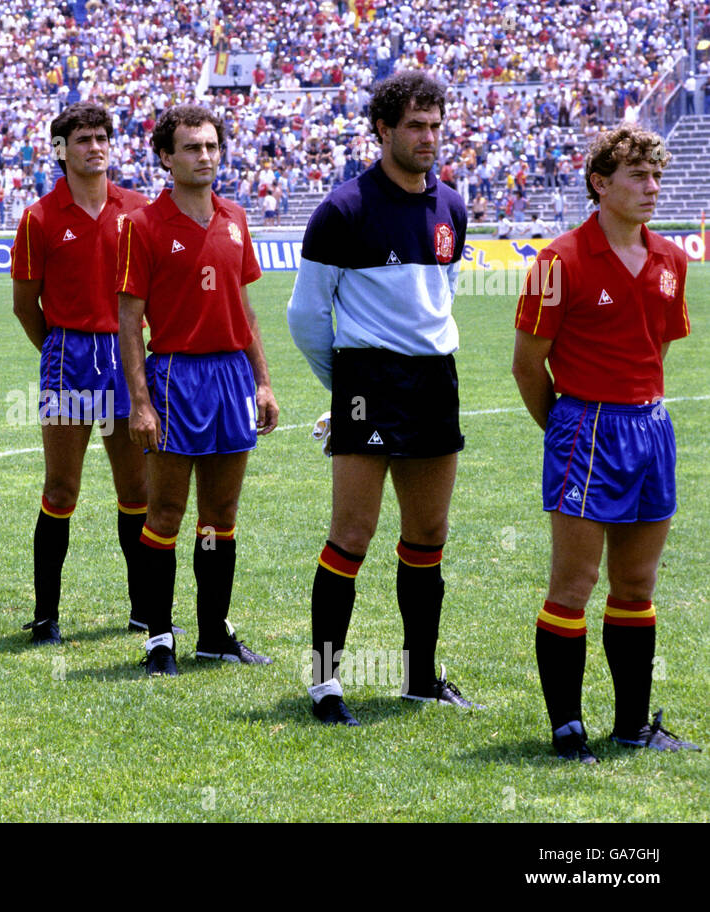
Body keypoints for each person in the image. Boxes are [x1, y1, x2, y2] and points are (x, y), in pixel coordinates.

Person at [287, 71, 477, 725]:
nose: (429, 138)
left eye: (435, 125)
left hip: (434, 381)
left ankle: (420, 679)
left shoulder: (452, 206)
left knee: (428, 534)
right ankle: (323, 682)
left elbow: (441, 298)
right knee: (352, 533)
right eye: (415, 126)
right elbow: (306, 316)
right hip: (367, 382)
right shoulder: (343, 210)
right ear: (384, 131)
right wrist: (343, 390)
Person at [512, 124, 698, 762]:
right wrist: (566, 430)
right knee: (574, 582)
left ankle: (630, 725)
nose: (652, 189)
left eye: (657, 177)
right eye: (638, 177)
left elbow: (658, 346)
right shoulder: (559, 260)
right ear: (601, 184)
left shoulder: (672, 259)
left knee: (637, 584)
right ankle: (567, 729)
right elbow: (526, 365)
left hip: (651, 427)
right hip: (586, 427)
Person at [116, 104, 280, 676]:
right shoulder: (143, 225)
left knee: (221, 513)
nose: (204, 156)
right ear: (166, 157)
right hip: (175, 377)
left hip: (232, 375)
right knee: (164, 512)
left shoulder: (235, 217)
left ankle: (213, 632)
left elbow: (246, 309)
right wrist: (140, 401)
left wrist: (263, 381)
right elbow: (129, 320)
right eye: (191, 148)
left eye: (211, 146)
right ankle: (159, 637)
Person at [10, 101, 151, 646]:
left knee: (135, 486)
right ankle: (46, 615)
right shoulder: (39, 217)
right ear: (61, 150)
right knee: (61, 487)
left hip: (126, 357)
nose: (96, 146)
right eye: (84, 139)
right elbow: (25, 305)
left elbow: (150, 297)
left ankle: (145, 611)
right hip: (68, 356)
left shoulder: (137, 210)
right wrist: (57, 349)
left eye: (102, 138)